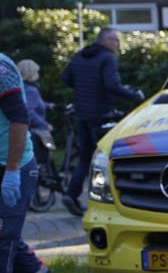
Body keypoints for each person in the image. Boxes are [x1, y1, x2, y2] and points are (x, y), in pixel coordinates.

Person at [0, 43, 89, 273]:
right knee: (9, 243)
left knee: (0, 245)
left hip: (9, 167)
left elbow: (19, 119)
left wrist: (13, 170)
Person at [60, 27, 144, 215]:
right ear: (104, 41)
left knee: (85, 156)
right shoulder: (107, 58)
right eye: (114, 40)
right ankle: (109, 199)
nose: (117, 44)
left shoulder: (80, 56)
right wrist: (134, 96)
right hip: (101, 114)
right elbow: (112, 85)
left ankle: (71, 193)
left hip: (82, 113)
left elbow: (65, 78)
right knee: (107, 156)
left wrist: (83, 88)